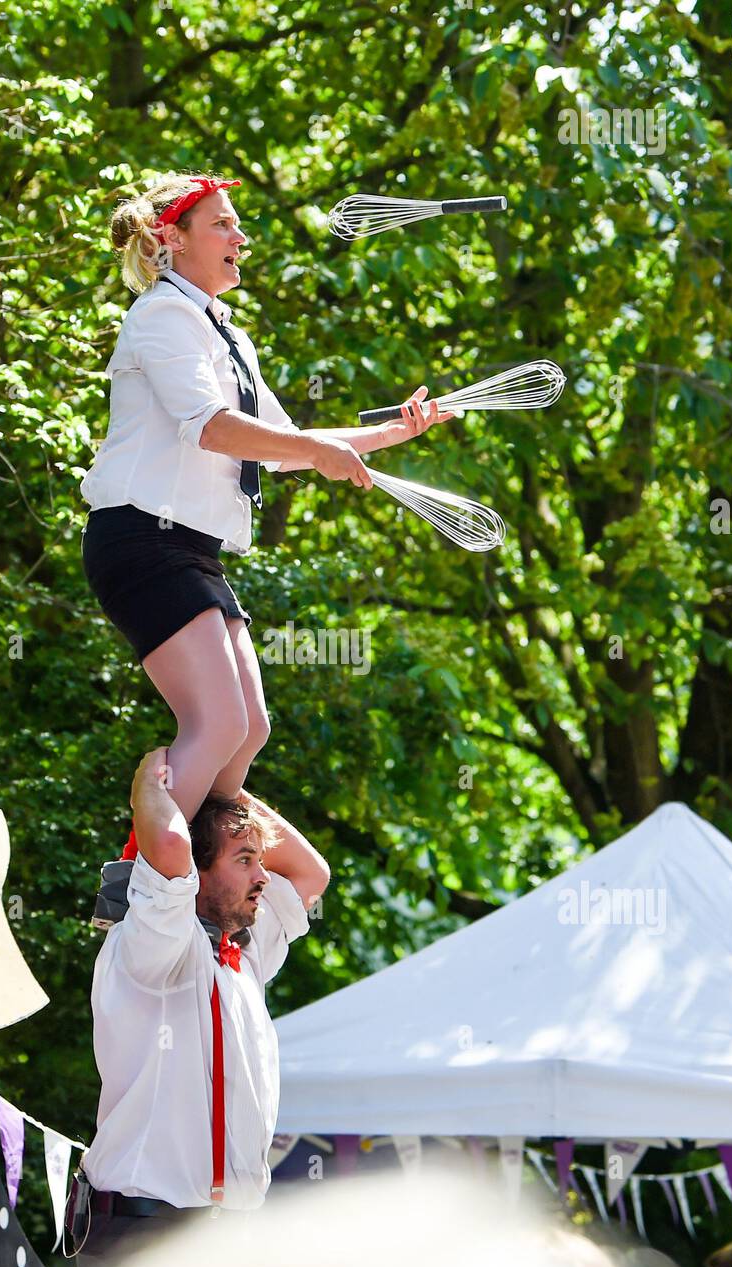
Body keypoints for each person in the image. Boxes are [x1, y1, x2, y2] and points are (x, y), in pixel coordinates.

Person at [80, 171, 453, 822]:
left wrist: (390, 432)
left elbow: (280, 441)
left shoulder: (224, 332)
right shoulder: (164, 314)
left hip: (189, 547)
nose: (240, 237)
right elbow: (211, 427)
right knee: (219, 724)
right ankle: (143, 887)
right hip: (141, 538)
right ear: (172, 239)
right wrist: (315, 451)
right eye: (222, 223)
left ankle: (195, 877)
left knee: (249, 731)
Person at [66, 747, 330, 1267]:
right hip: (144, 1232)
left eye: (259, 860)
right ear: (195, 874)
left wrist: (230, 793)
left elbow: (311, 872)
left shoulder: (245, 958)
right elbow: (166, 845)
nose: (263, 876)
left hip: (222, 1240)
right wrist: (150, 779)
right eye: (243, 860)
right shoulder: (151, 944)